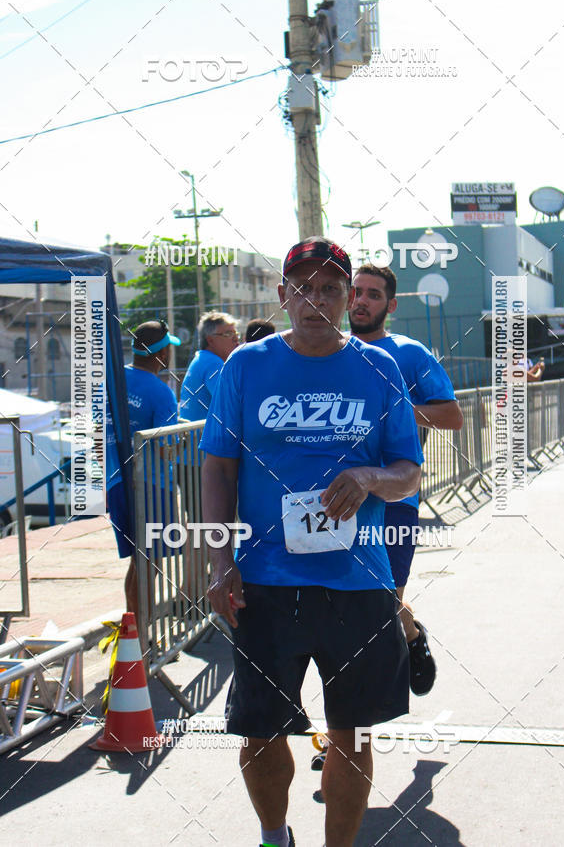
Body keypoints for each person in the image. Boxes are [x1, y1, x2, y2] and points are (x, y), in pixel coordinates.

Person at [200, 238, 423, 847]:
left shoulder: (381, 369)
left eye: (330, 288)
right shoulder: (246, 366)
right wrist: (221, 563)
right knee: (259, 733)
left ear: (350, 299)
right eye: (302, 287)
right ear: (282, 297)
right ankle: (276, 836)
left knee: (353, 736)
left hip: (358, 584)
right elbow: (217, 469)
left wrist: (369, 477)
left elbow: (410, 471)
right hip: (267, 582)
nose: (315, 300)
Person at [349, 264, 463, 696]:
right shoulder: (325, 352)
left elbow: (451, 415)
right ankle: (348, 725)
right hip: (338, 499)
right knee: (346, 607)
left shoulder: (409, 353)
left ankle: (410, 635)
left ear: (391, 305)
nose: (361, 300)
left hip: (395, 497)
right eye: (356, 292)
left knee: (384, 600)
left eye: (373, 294)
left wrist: (396, 414)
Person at [105, 320, 180, 623]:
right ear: (162, 356)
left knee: (138, 562)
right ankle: (143, 640)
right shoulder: (161, 393)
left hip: (115, 482)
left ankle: (133, 632)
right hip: (150, 486)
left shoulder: (112, 381)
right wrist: (183, 442)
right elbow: (166, 449)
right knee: (149, 564)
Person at [179, 311, 239, 422]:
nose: (236, 339)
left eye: (236, 333)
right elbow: (231, 404)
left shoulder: (203, 359)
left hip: (193, 435)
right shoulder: (213, 363)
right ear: (210, 340)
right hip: (203, 437)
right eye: (228, 334)